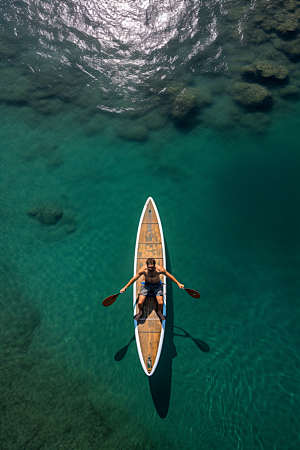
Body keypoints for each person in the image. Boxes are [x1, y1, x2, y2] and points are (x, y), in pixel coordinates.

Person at [120, 257, 184, 321]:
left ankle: (159, 311)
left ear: (155, 265)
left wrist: (178, 283)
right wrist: (125, 287)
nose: (150, 269)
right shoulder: (143, 270)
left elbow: (169, 276)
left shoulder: (159, 269)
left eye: (152, 267)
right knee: (139, 303)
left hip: (157, 285)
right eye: (149, 267)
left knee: (160, 303)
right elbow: (134, 279)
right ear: (147, 265)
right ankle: (140, 312)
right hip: (146, 285)